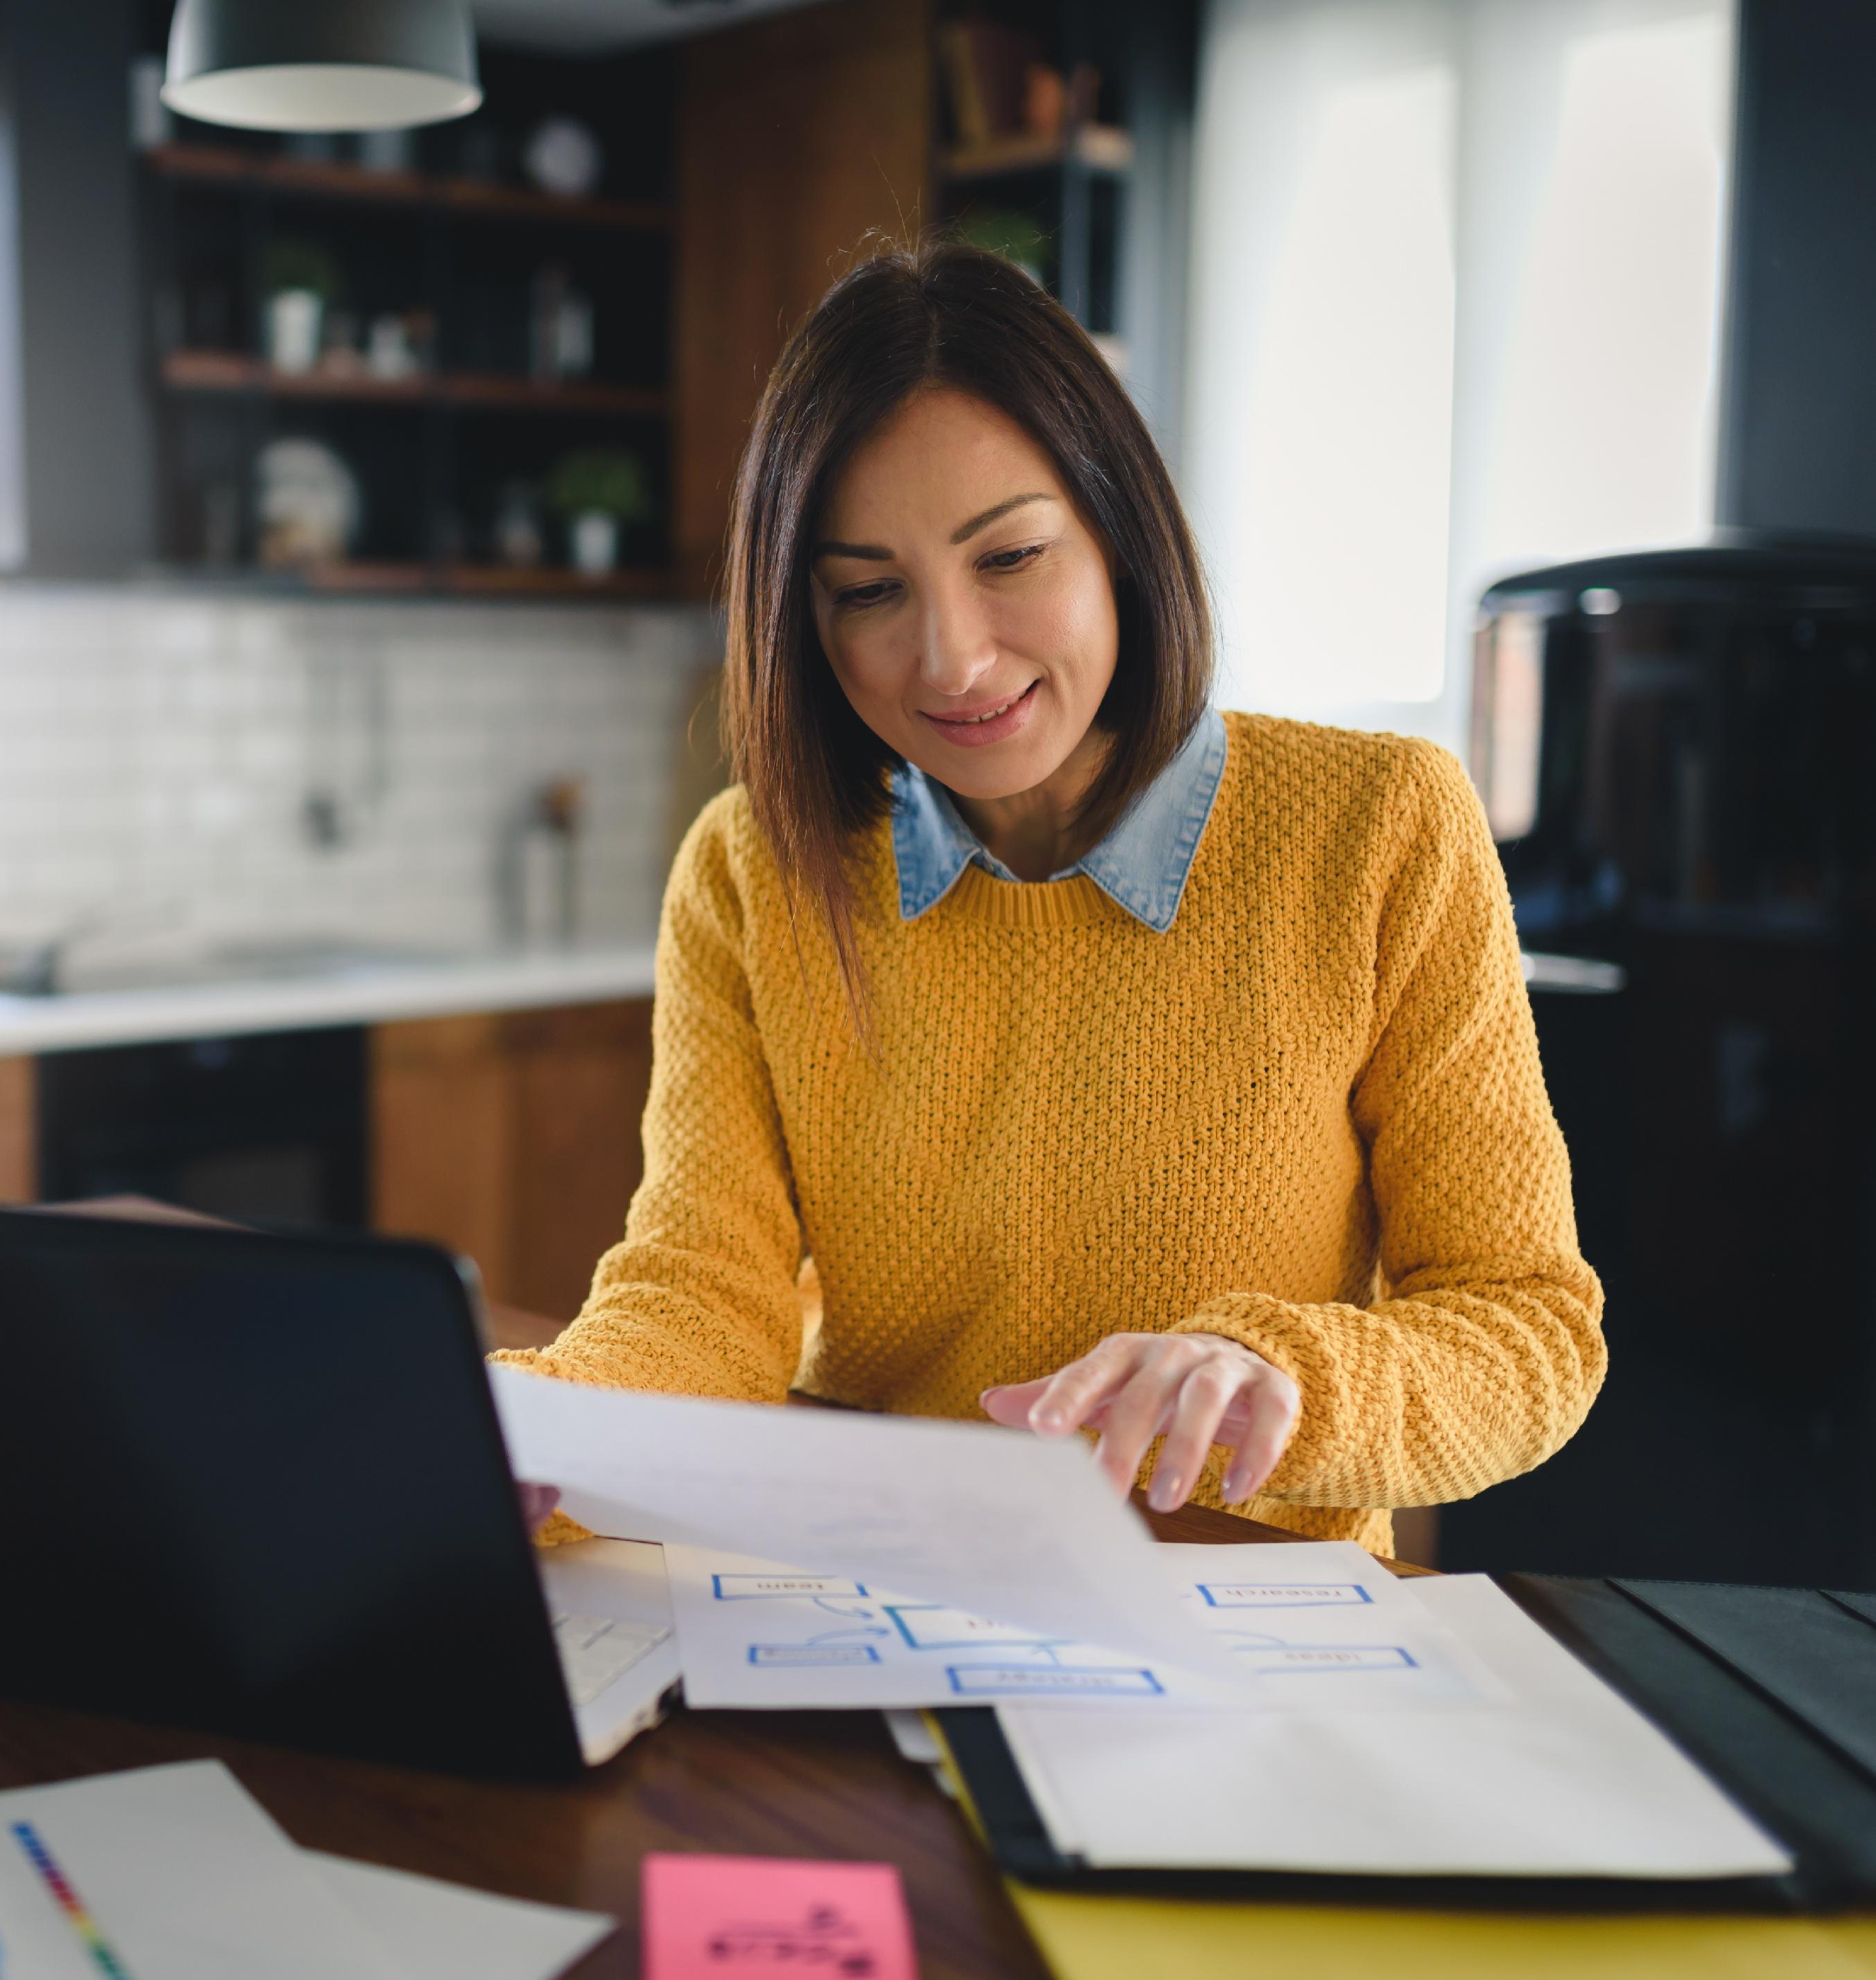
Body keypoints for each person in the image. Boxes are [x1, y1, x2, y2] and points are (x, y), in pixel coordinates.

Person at [498, 237, 1603, 1557]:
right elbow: (701, 1299)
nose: (951, 655)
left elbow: (1523, 1324)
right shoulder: (751, 873)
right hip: (864, 1596)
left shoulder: (1378, 830)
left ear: (1118, 534)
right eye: (868, 590)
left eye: (1009, 557)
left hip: (1239, 1638)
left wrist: (1287, 1380)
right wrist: (518, 1423)